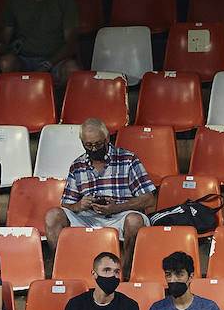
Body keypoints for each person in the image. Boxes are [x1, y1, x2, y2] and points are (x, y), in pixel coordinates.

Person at [44, 118, 157, 275]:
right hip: (88, 218)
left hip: (120, 216)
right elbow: (66, 205)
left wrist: (116, 207)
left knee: (135, 220)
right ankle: (61, 270)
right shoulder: (77, 165)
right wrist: (79, 205)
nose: (94, 149)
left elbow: (149, 199)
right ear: (82, 143)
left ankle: (126, 272)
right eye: (88, 145)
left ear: (107, 139)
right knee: (52, 215)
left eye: (98, 144)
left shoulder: (128, 159)